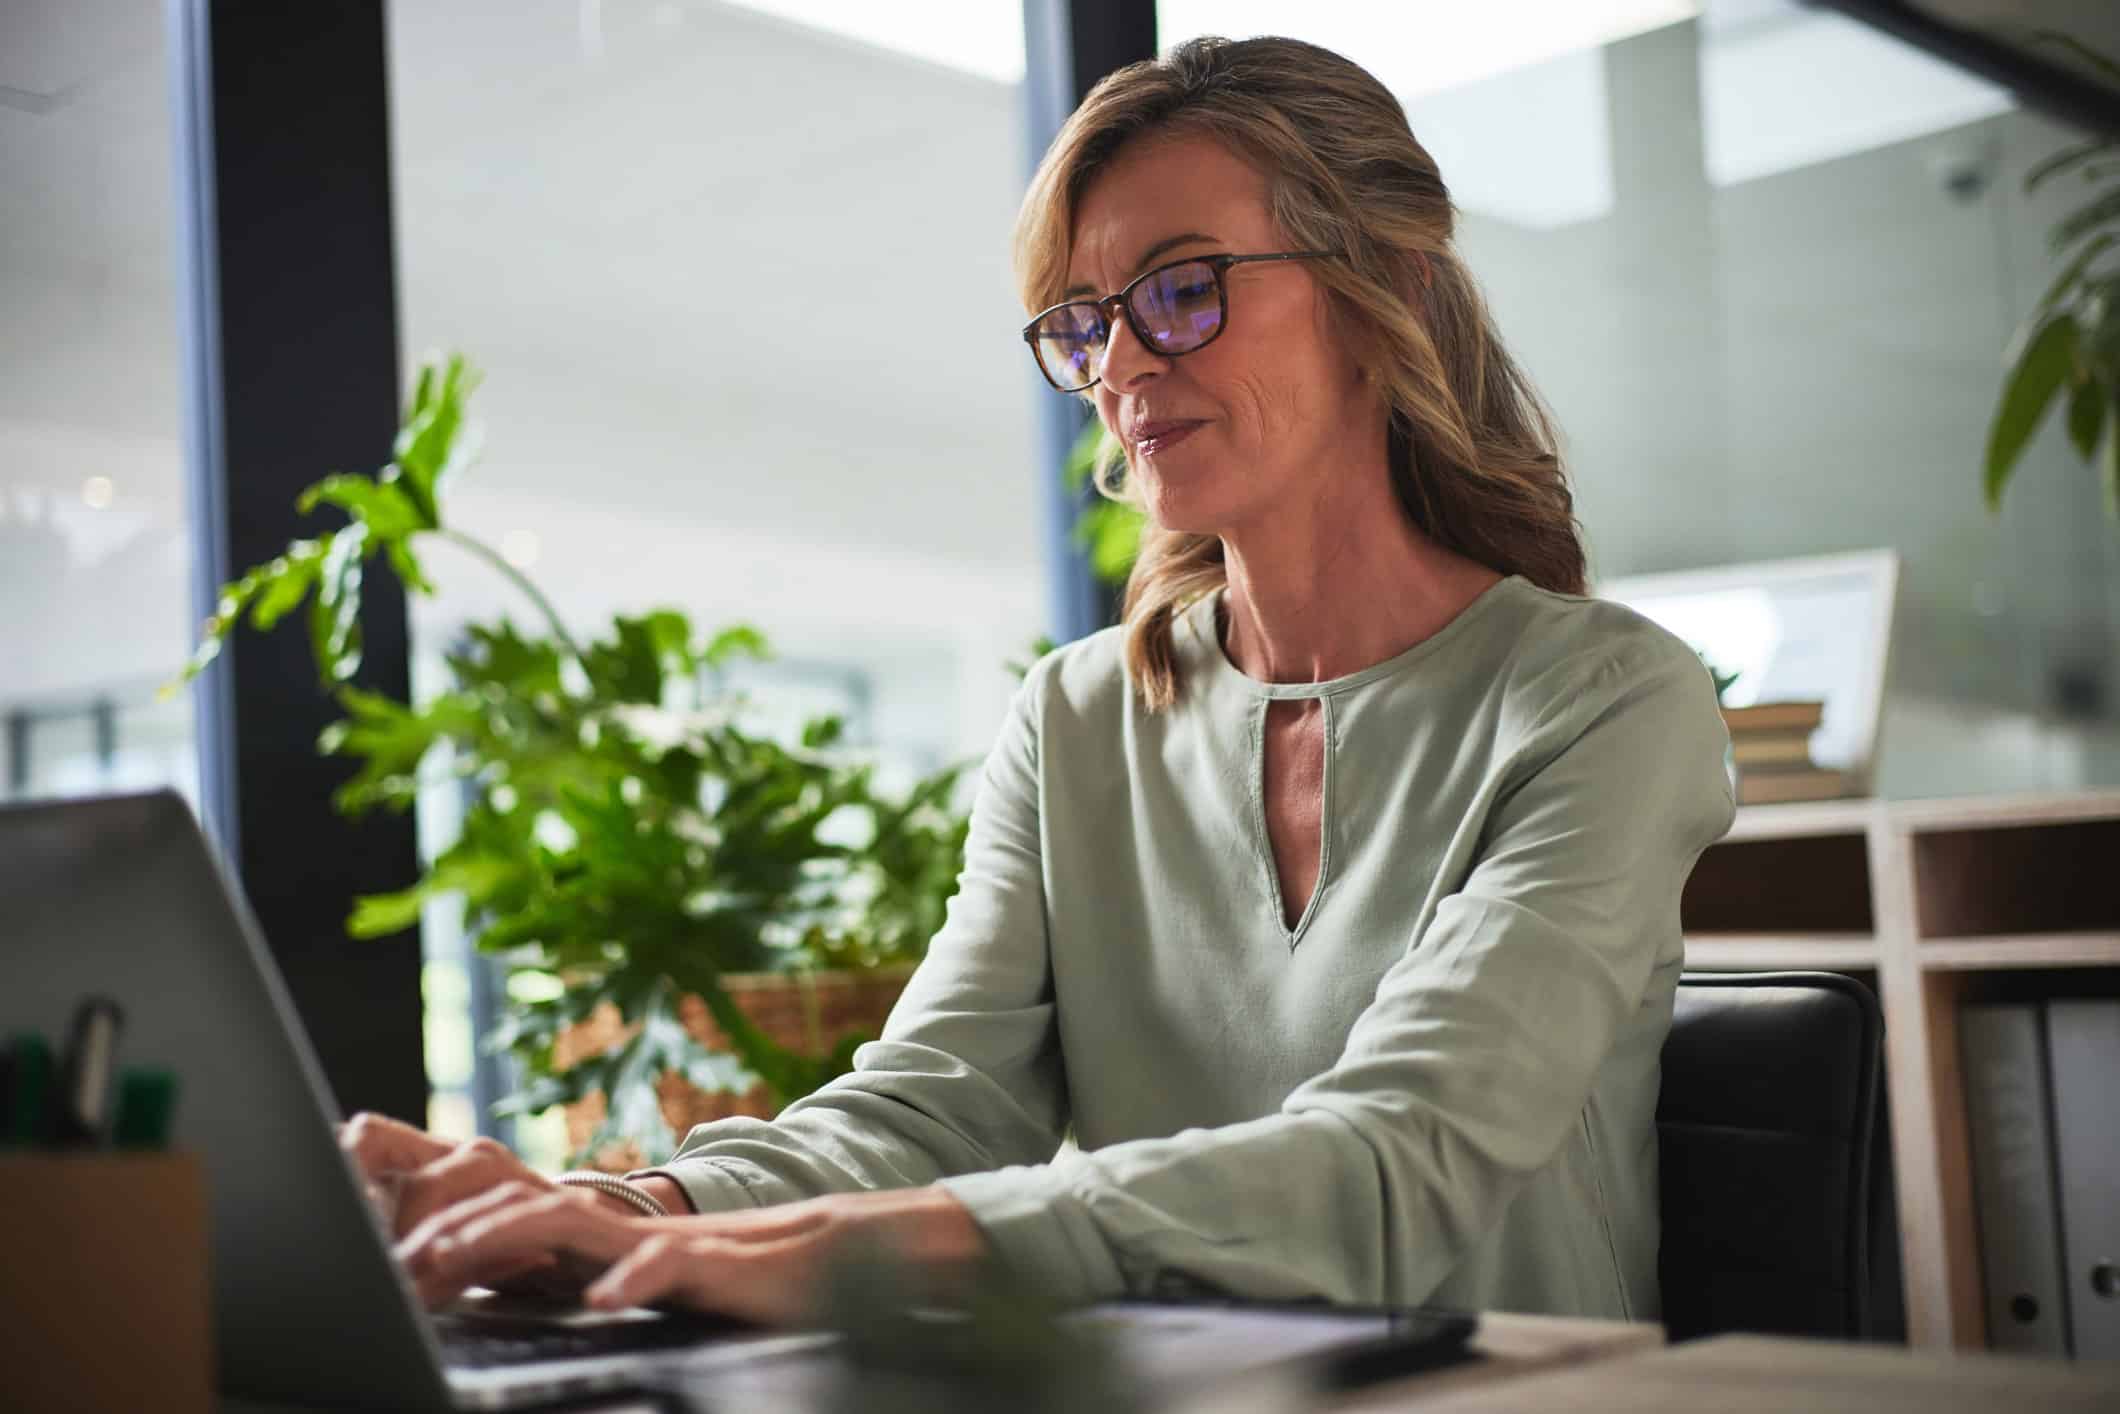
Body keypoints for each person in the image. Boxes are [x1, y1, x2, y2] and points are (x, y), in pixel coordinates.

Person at [344, 34, 1735, 1326]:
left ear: (1389, 294)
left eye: (1183, 291)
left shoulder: (1607, 703)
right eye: (1085, 321)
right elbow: (932, 1107)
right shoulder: (1077, 720)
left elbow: (1398, 1161)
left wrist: (793, 1255)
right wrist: (626, 1206)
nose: (1122, 363)